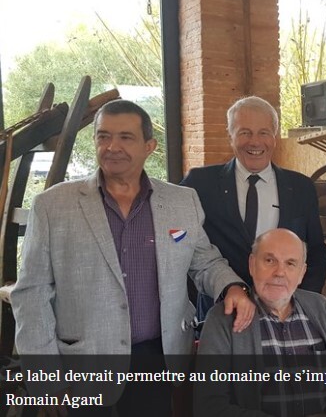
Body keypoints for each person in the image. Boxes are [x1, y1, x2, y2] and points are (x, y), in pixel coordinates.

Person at [11, 99, 254, 417]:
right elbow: (31, 295)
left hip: (158, 359)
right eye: (103, 136)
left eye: (125, 137)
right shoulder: (52, 205)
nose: (112, 147)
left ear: (149, 146)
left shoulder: (182, 201)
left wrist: (232, 287)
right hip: (81, 364)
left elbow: (204, 261)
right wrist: (46, 380)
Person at [181, 96, 326, 322]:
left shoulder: (301, 187)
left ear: (275, 136)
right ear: (230, 135)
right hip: (222, 313)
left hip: (284, 315)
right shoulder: (200, 184)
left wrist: (300, 302)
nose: (255, 142)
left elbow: (316, 251)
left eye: (263, 132)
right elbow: (182, 243)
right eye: (245, 132)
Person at [195, 228, 326, 417]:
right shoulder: (222, 319)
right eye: (269, 260)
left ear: (302, 273)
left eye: (290, 263)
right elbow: (209, 405)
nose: (279, 272)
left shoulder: (321, 308)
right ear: (252, 264)